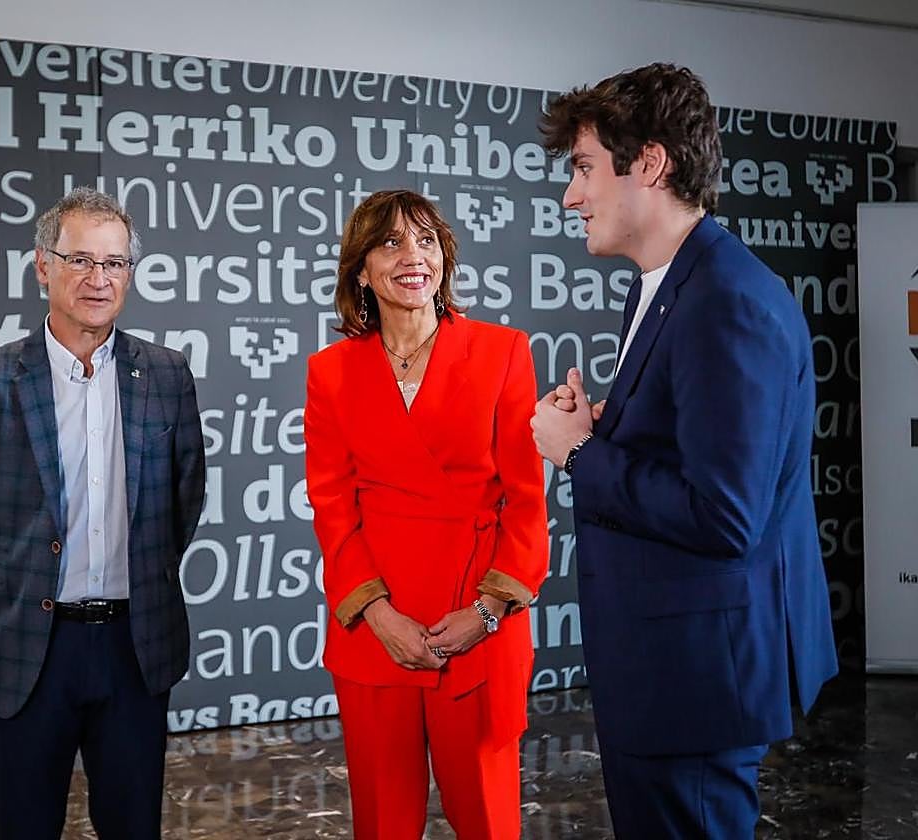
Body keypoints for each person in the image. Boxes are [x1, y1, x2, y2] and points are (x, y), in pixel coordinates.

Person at [530, 63, 838, 838]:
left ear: (653, 164)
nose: (571, 195)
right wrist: (607, 431)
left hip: (696, 682)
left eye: (585, 168)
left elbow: (723, 513)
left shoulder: (724, 300)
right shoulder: (667, 282)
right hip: (668, 672)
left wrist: (578, 454)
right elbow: (696, 448)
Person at [0, 187, 205, 839]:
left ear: (130, 274)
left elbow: (183, 502)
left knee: (134, 827)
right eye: (79, 259)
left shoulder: (167, 377)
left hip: (135, 649)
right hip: (31, 649)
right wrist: (14, 592)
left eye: (114, 263)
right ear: (42, 266)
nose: (97, 279)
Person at [304, 190, 548, 839]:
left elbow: (526, 501)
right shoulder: (330, 372)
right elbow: (332, 507)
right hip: (375, 633)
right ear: (360, 270)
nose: (413, 257)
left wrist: (489, 611)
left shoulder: (503, 351)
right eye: (390, 242)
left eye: (426, 241)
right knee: (383, 823)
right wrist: (379, 615)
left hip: (477, 627)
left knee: (489, 823)